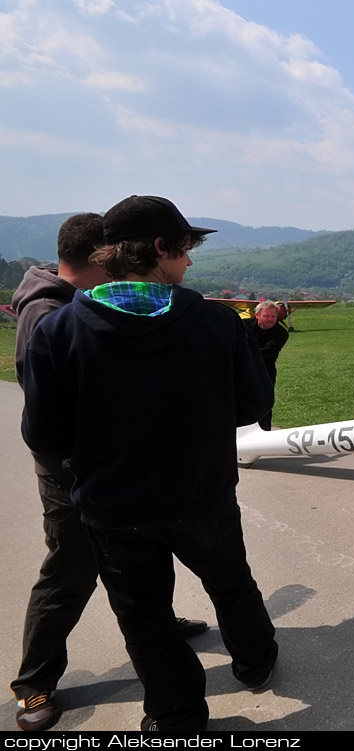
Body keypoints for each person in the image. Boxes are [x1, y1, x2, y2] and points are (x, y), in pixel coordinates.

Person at [20, 196, 278, 732]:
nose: (189, 263)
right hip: (201, 493)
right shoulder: (216, 322)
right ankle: (255, 662)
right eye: (186, 251)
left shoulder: (58, 330)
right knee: (231, 583)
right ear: (160, 249)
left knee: (144, 616)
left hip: (114, 507)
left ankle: (177, 715)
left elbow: (44, 435)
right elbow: (253, 406)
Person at [10, 213, 207, 732]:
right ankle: (34, 685)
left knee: (136, 559)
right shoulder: (50, 315)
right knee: (68, 577)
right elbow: (49, 418)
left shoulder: (66, 306)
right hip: (73, 477)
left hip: (105, 470)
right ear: (102, 255)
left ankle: (157, 626)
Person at [246, 301, 289, 430]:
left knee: (264, 404)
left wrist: (241, 351)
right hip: (242, 370)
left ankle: (264, 434)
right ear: (257, 315)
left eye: (273, 316)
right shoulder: (243, 326)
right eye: (266, 316)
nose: (270, 319)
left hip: (264, 372)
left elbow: (266, 353)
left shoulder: (281, 333)